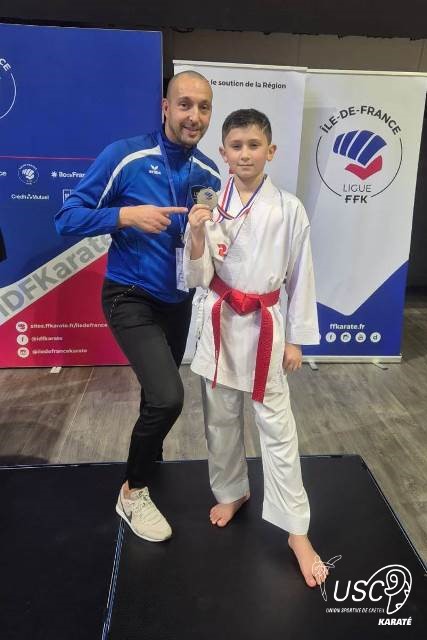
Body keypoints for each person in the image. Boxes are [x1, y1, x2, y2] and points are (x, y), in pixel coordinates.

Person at [55, 71, 221, 543]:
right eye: (184, 104)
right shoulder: (126, 156)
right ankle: (133, 492)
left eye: (204, 107)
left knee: (155, 395)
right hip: (130, 294)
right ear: (165, 107)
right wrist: (125, 216)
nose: (194, 116)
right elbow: (66, 218)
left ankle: (149, 461)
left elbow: (206, 240)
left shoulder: (210, 173)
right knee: (169, 397)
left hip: (179, 299)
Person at [184, 108, 327, 587]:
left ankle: (297, 530)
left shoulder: (289, 209)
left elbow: (301, 275)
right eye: (236, 146)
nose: (244, 154)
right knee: (220, 420)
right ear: (223, 153)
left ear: (271, 151)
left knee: (278, 428)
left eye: (253, 145)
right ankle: (232, 491)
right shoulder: (209, 204)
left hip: (265, 326)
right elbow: (196, 276)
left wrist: (298, 340)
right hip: (220, 322)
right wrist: (197, 232)